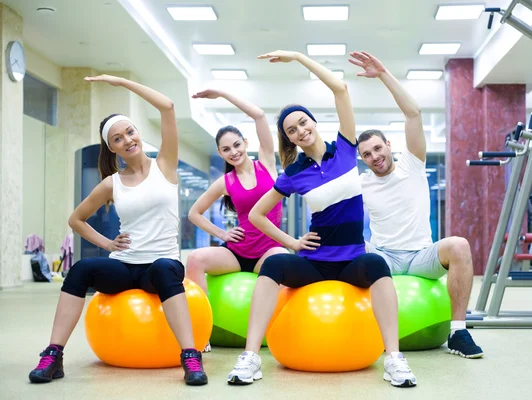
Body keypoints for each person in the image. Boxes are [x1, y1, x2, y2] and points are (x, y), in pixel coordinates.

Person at [226, 50, 417, 388]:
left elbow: (340, 89)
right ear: (290, 139)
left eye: (303, 122)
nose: (300, 130)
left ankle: (394, 359)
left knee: (378, 266)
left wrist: (299, 57)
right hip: (315, 262)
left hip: (352, 260)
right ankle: (251, 356)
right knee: (273, 267)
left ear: (313, 122)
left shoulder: (345, 147)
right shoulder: (294, 173)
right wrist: (290, 242)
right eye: (292, 130)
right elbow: (256, 214)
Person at [28, 75, 208, 386]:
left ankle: (190, 356)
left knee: (165, 269)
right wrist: (109, 245)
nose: (127, 139)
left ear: (138, 133)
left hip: (161, 266)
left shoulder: (165, 165)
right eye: (117, 138)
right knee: (81, 269)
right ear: (112, 149)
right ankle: (53, 355)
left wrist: (123, 84)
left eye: (130, 131)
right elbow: (76, 219)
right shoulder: (111, 183)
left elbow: (167, 106)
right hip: (124, 266)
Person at [349, 51, 483, 358]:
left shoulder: (413, 163)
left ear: (389, 146)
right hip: (384, 258)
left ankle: (458, 332)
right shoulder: (362, 182)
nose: (374, 157)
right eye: (367, 154)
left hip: (422, 256)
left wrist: (383, 73)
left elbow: (413, 114)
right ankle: (357, 326)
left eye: (378, 148)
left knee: (460, 245)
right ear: (362, 159)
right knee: (352, 244)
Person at [185, 89, 288, 352]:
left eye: (237, 145)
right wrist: (222, 234)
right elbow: (194, 213)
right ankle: (200, 331)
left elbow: (259, 115)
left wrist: (222, 94)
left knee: (283, 261)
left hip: (268, 249)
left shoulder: (266, 162)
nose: (233, 152)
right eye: (226, 149)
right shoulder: (225, 182)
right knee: (195, 259)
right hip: (239, 250)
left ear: (245, 142)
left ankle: (278, 331)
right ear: (220, 154)